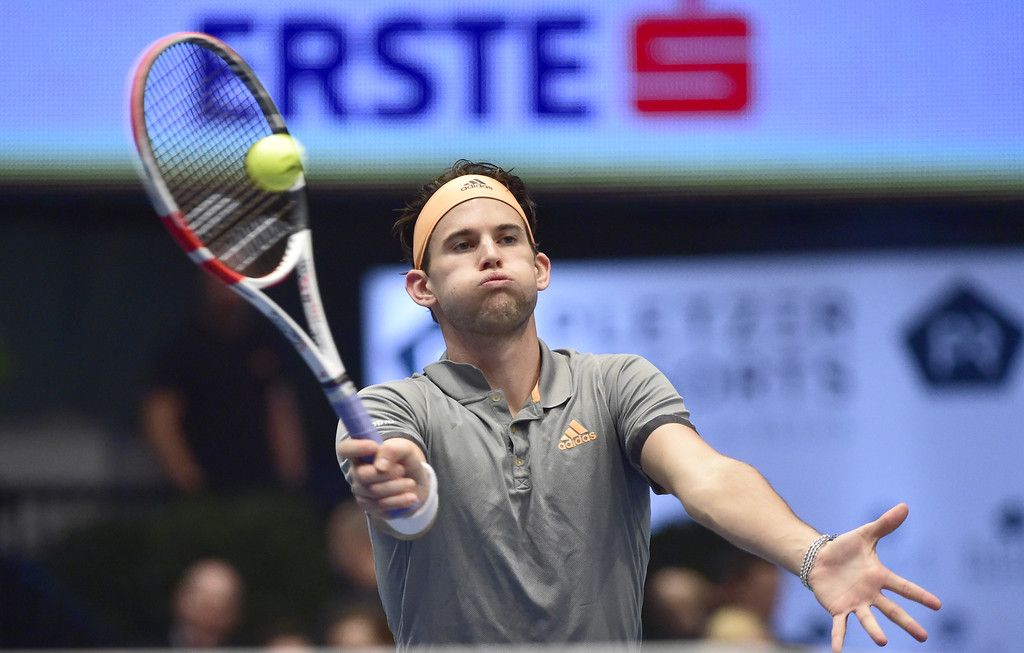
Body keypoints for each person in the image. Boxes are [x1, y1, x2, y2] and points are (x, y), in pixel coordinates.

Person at [335, 160, 942, 651]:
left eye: (507, 238)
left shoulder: (616, 383)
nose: (490, 254)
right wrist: (404, 485)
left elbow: (705, 476)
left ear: (539, 268)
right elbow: (397, 478)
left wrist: (809, 554)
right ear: (422, 287)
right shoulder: (390, 408)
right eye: (462, 244)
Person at [142, 274, 308, 494]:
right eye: (218, 277)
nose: (227, 287)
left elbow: (281, 412)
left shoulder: (266, 344)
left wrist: (292, 480)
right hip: (206, 494)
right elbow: (160, 417)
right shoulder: (183, 348)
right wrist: (190, 482)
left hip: (261, 490)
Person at [169, 558, 244, 648]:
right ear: (181, 600)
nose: (210, 616)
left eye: (221, 608)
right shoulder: (154, 646)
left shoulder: (246, 648)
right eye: (204, 605)